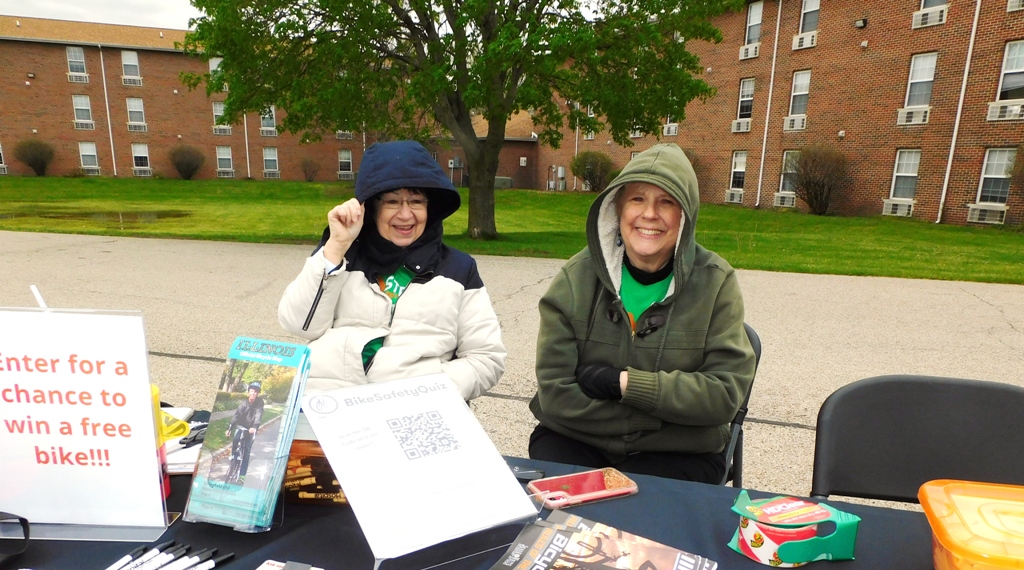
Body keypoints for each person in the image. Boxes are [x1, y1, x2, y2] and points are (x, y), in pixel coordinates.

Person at [529, 143, 755, 484]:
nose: (649, 214)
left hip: (677, 453)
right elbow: (556, 393)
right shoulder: (575, 279)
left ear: (686, 215)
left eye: (667, 202)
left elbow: (724, 394)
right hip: (577, 439)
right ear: (617, 208)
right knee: (568, 505)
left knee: (645, 508)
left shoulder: (716, 283)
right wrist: (655, 419)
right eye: (637, 199)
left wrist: (625, 384)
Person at [278, 140, 506, 400]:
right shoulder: (341, 255)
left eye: (416, 201)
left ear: (429, 208)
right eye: (392, 202)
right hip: (328, 403)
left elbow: (486, 358)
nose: (405, 215)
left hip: (415, 408)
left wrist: (429, 390)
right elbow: (300, 325)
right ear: (372, 208)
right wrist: (336, 246)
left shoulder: (458, 269)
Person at [225, 381, 264, 484]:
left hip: (251, 428)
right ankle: (233, 458)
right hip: (242, 426)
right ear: (248, 392)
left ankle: (242, 476)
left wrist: (254, 427)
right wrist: (229, 428)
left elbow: (258, 415)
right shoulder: (244, 403)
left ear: (257, 393)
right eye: (252, 391)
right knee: (235, 439)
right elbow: (237, 415)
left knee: (246, 451)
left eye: (255, 392)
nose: (253, 393)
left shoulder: (260, 403)